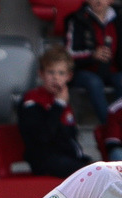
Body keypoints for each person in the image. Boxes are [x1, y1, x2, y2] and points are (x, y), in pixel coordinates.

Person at [18, 45, 93, 177]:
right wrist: (58, 105)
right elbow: (42, 137)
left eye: (61, 73)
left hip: (67, 159)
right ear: (41, 74)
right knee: (88, 174)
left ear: (69, 76)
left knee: (100, 170)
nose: (55, 78)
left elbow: (70, 138)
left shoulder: (64, 99)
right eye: (51, 72)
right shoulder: (31, 101)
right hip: (44, 160)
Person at [64, 0, 122, 124]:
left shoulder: (119, 18)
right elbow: (68, 55)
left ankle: (121, 123)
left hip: (112, 70)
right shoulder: (76, 19)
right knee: (94, 82)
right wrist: (92, 55)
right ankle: (110, 127)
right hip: (83, 71)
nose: (99, 1)